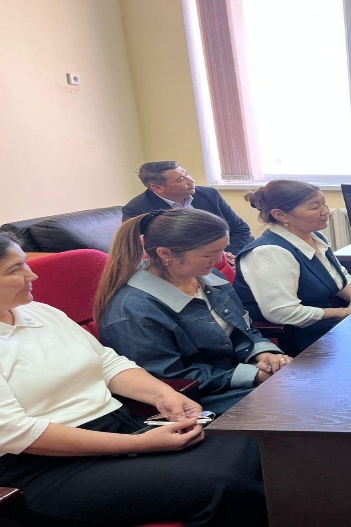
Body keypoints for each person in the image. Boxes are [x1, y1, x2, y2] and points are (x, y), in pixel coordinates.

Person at [0, 232, 265, 526]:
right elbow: (18, 433)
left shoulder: (39, 312)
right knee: (224, 483)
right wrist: (140, 444)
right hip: (47, 466)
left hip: (122, 426)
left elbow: (107, 363)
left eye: (25, 263)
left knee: (257, 445)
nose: (32, 274)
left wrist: (165, 395)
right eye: (15, 269)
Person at [95, 208, 290, 414]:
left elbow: (244, 329)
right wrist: (254, 375)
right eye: (208, 254)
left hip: (236, 378)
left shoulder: (211, 277)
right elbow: (170, 376)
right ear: (165, 254)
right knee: (297, 404)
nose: (219, 260)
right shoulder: (132, 310)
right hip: (197, 398)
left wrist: (263, 355)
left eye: (221, 250)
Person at [235, 180, 351, 356]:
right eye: (314, 207)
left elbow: (338, 275)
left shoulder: (314, 237)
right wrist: (344, 312)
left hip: (323, 325)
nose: (325, 211)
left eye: (324, 203)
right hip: (296, 336)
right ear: (280, 215)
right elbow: (284, 313)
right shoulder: (269, 252)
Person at [122, 160, 255, 259]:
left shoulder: (209, 195)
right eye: (181, 179)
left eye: (187, 174)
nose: (191, 181)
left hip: (228, 256)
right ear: (158, 188)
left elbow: (240, 229)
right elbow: (145, 251)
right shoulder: (138, 209)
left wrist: (229, 255)